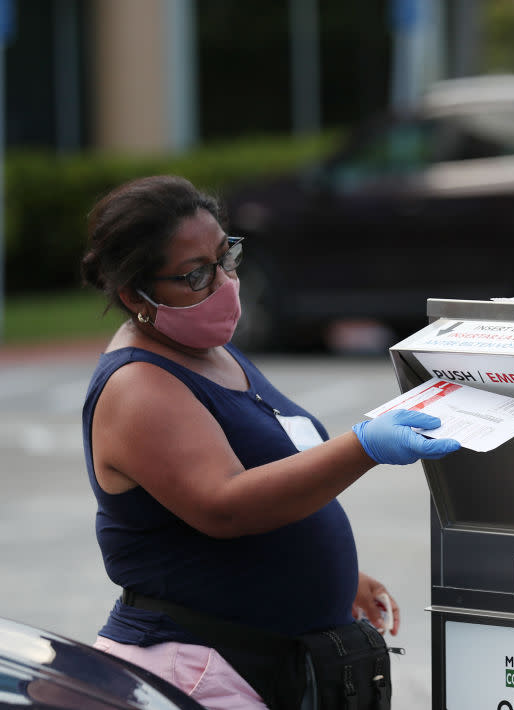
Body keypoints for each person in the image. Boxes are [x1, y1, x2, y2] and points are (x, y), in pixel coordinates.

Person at [79, 174, 460, 710]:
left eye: (225, 258)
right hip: (197, 668)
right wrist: (362, 448)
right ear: (134, 295)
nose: (223, 284)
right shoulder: (138, 386)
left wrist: (331, 576)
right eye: (194, 276)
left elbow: (272, 468)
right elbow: (225, 506)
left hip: (266, 661)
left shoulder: (211, 348)